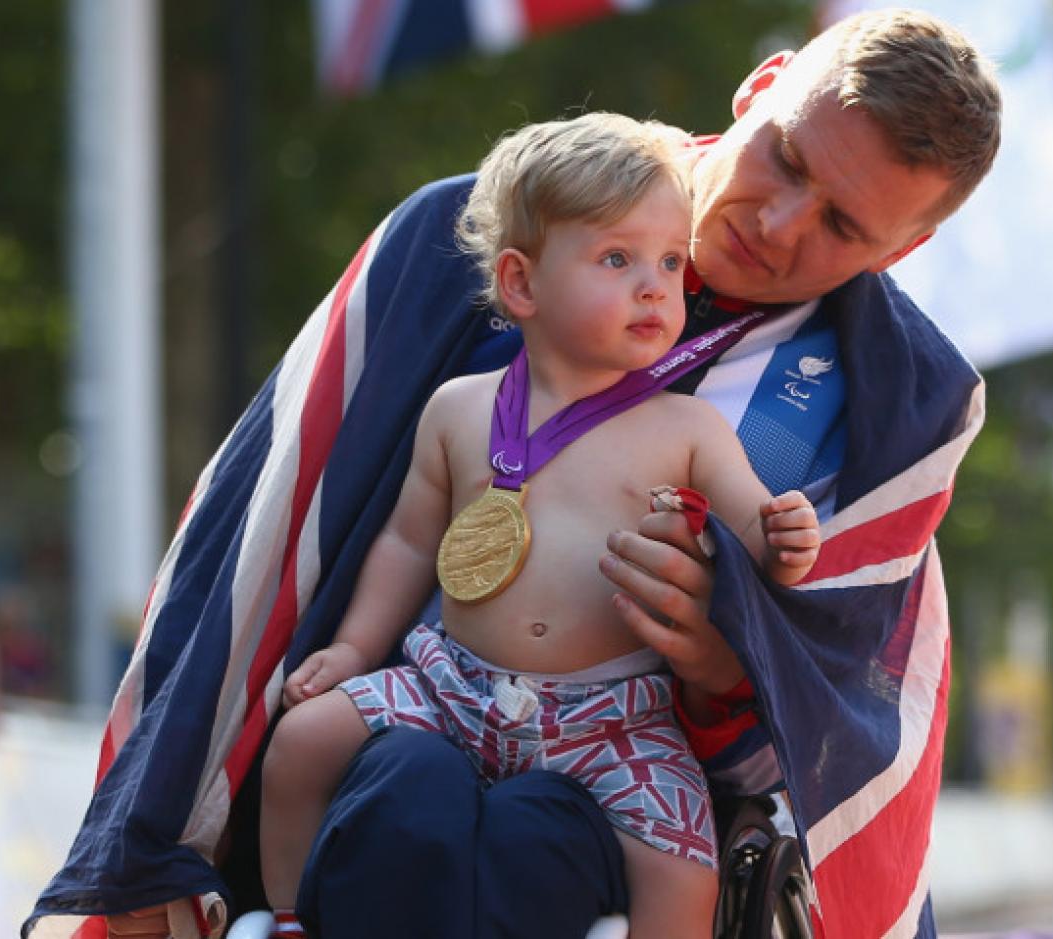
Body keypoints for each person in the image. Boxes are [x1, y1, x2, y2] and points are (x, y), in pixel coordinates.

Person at [28, 8, 1001, 939]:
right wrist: (152, 842)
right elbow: (261, 540)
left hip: (615, 796)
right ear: (763, 85)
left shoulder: (899, 410)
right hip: (401, 743)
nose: (782, 224)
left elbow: (832, 719)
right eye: (786, 159)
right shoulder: (467, 234)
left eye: (841, 226)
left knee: (536, 841)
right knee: (406, 804)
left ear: (902, 250)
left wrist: (719, 661)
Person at [257, 113, 822, 938]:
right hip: (449, 682)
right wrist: (350, 648)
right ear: (521, 284)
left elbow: (754, 538)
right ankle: (288, 916)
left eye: (670, 261)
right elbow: (409, 544)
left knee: (685, 862)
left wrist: (787, 539)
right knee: (301, 742)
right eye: (618, 259)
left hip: (613, 718)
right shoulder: (459, 409)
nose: (657, 287)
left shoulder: (687, 428)